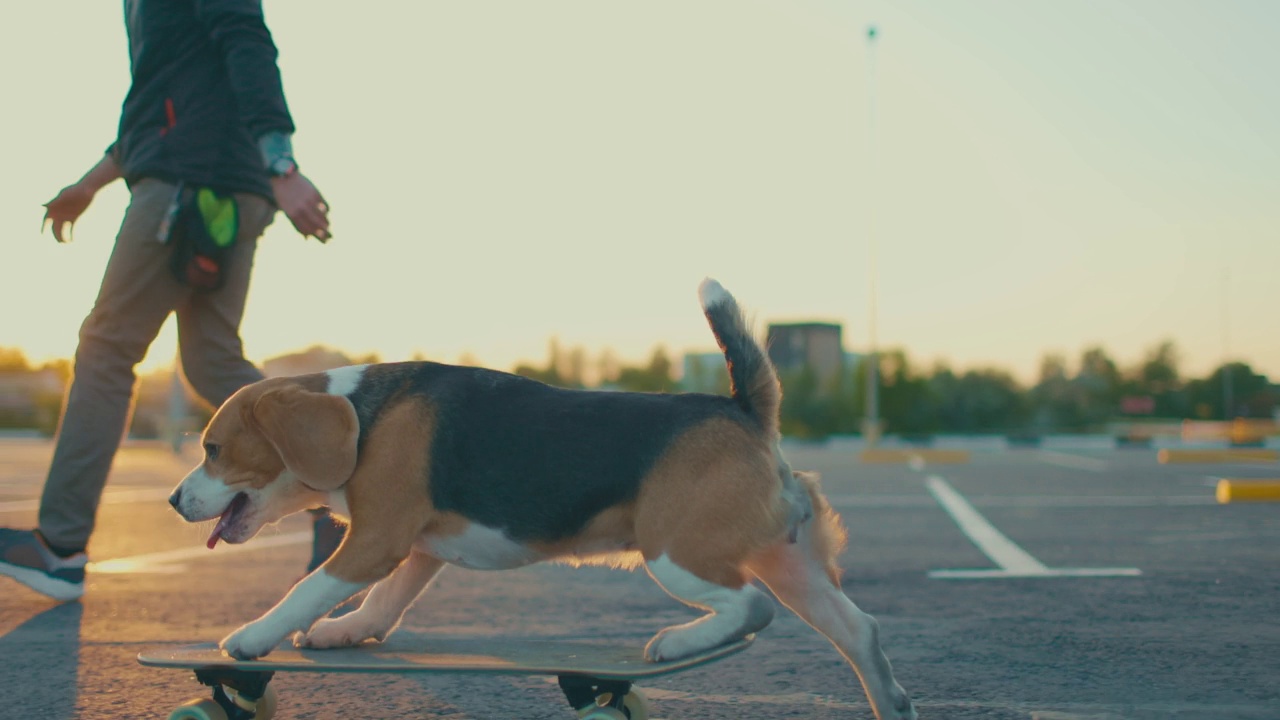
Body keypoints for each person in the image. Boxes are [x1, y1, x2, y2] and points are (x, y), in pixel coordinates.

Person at [0, 0, 344, 601]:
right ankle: (342, 490)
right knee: (212, 361)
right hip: (223, 185)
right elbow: (161, 98)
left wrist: (281, 163)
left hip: (191, 187)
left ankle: (58, 546)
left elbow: (248, 40)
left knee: (107, 347)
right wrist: (91, 183)